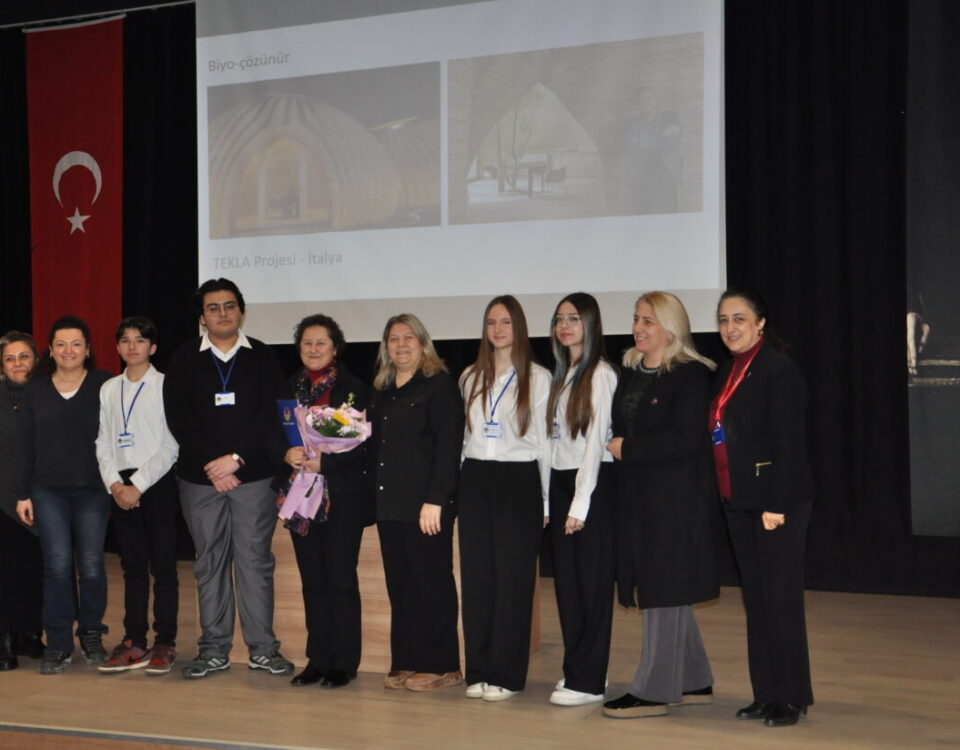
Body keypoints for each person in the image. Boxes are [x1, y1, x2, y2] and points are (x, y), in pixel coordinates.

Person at [163, 278, 293, 680]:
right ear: (202, 317)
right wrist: (213, 464)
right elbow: (178, 417)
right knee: (209, 563)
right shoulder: (184, 358)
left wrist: (236, 459)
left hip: (252, 478)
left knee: (255, 562)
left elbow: (271, 416)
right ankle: (214, 650)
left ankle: (263, 650)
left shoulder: (263, 356)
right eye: (213, 307)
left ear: (242, 311)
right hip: (200, 480)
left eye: (230, 305)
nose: (223, 313)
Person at [602, 292, 719, 719]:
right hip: (638, 497)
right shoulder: (633, 371)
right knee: (667, 587)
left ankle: (654, 690)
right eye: (636, 319)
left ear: (671, 328)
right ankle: (693, 678)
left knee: (662, 587)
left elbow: (688, 440)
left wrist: (629, 449)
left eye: (648, 320)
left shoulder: (690, 375)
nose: (638, 327)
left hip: (675, 500)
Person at [711, 288, 815, 727]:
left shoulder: (777, 369)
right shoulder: (728, 369)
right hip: (740, 500)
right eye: (723, 320)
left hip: (775, 503)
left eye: (739, 319)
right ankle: (766, 694)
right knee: (756, 601)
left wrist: (776, 504)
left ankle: (791, 697)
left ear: (760, 324)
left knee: (781, 600)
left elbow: (789, 443)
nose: (730, 327)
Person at [458, 296, 551, 701]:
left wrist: (545, 501)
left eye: (506, 322)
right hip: (476, 478)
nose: (498, 330)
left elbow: (545, 443)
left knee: (512, 580)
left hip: (519, 479)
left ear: (520, 328)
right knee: (478, 578)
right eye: (492, 322)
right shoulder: (469, 377)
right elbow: (465, 439)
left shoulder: (539, 378)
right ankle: (479, 670)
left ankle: (507, 674)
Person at [367, 313, 464, 692]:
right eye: (393, 339)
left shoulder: (439, 386)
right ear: (385, 348)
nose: (401, 344)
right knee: (401, 586)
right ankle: (405, 659)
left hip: (426, 507)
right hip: (390, 504)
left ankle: (443, 665)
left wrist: (436, 500)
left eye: (409, 337)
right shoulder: (382, 390)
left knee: (431, 584)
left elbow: (448, 447)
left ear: (423, 344)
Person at [15, 316, 112, 674]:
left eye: (76, 344)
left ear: (88, 349)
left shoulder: (105, 385)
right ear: (51, 350)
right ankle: (58, 644)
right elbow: (25, 444)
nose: (68, 350)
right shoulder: (35, 389)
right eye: (61, 344)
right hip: (47, 491)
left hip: (94, 490)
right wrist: (22, 493)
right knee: (56, 566)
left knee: (91, 566)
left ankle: (91, 633)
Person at [281, 314, 372, 689]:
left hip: (341, 497)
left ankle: (343, 663)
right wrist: (286, 453)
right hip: (302, 495)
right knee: (312, 582)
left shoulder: (354, 389)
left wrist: (327, 462)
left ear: (335, 348)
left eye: (321, 343)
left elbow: (362, 445)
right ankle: (317, 659)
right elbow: (272, 432)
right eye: (307, 343)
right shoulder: (289, 388)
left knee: (339, 579)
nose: (313, 349)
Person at [95, 317, 180, 675]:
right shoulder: (108, 388)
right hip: (120, 485)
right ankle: (134, 640)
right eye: (125, 340)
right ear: (117, 347)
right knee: (131, 566)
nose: (132, 346)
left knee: (163, 565)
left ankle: (165, 642)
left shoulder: (165, 385)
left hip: (155, 482)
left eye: (140, 340)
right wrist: (115, 484)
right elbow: (103, 440)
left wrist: (138, 484)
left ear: (153, 347)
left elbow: (171, 444)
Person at [546, 293, 618, 706]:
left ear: (590, 324)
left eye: (574, 319)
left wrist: (580, 502)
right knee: (568, 586)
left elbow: (595, 443)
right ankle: (580, 669)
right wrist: (549, 498)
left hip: (589, 486)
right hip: (561, 482)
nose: (565, 326)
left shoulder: (601, 374)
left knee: (590, 585)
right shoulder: (564, 373)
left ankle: (589, 681)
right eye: (560, 319)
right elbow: (554, 442)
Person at [0, 332, 44, 670]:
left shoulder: (48, 394)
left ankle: (30, 633)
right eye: (10, 359)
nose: (18, 364)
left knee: (35, 569)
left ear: (36, 360)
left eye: (24, 356)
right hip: (2, 499)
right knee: (5, 571)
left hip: (41, 498)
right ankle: (4, 638)